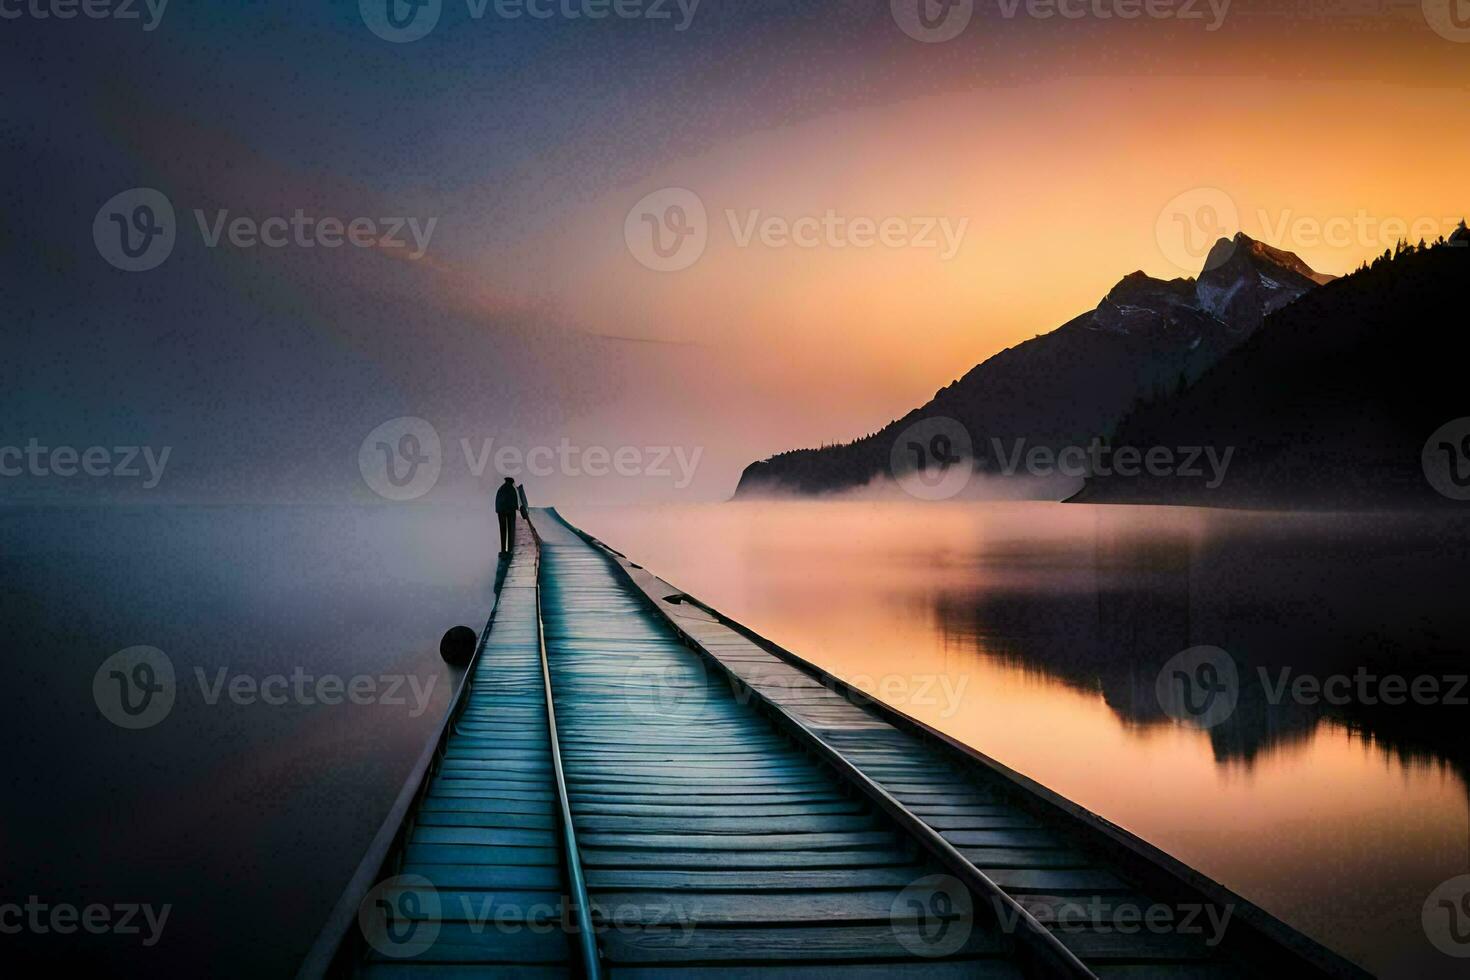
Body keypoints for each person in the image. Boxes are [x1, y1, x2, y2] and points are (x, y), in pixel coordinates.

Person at [495, 477, 521, 555]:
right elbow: (515, 503)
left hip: (501, 511)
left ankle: (503, 550)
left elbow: (497, 501)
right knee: (511, 530)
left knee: (502, 531)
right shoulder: (512, 489)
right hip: (510, 511)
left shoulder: (501, 488)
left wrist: (499, 510)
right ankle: (510, 549)